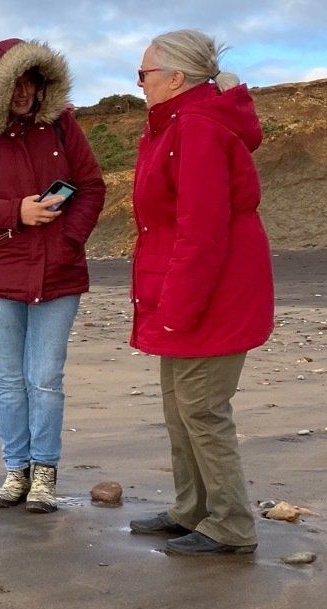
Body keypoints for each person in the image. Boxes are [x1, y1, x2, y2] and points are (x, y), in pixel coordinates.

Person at [126, 30, 273, 555]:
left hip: (214, 294)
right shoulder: (172, 126)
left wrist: (177, 308)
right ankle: (193, 508)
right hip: (186, 290)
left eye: (143, 73)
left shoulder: (199, 128)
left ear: (175, 78)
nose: (139, 82)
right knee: (179, 407)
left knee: (203, 409)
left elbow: (203, 230)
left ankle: (231, 523)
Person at [0, 38, 106, 513]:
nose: (22, 90)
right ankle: (16, 471)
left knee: (45, 379)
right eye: (11, 81)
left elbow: (93, 188)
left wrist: (70, 240)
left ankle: (44, 475)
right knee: (11, 381)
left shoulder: (64, 128)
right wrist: (16, 211)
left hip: (58, 272)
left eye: (30, 79)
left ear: (42, 83)